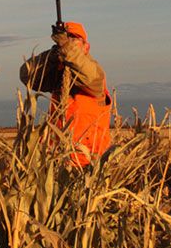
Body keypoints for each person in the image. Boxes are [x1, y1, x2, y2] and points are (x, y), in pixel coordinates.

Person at [19, 19, 114, 166]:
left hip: (90, 163)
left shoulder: (95, 74)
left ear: (86, 46)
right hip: (59, 160)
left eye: (73, 38)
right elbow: (26, 75)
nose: (69, 41)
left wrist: (65, 46)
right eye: (65, 37)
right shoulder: (58, 75)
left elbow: (86, 73)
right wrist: (52, 54)